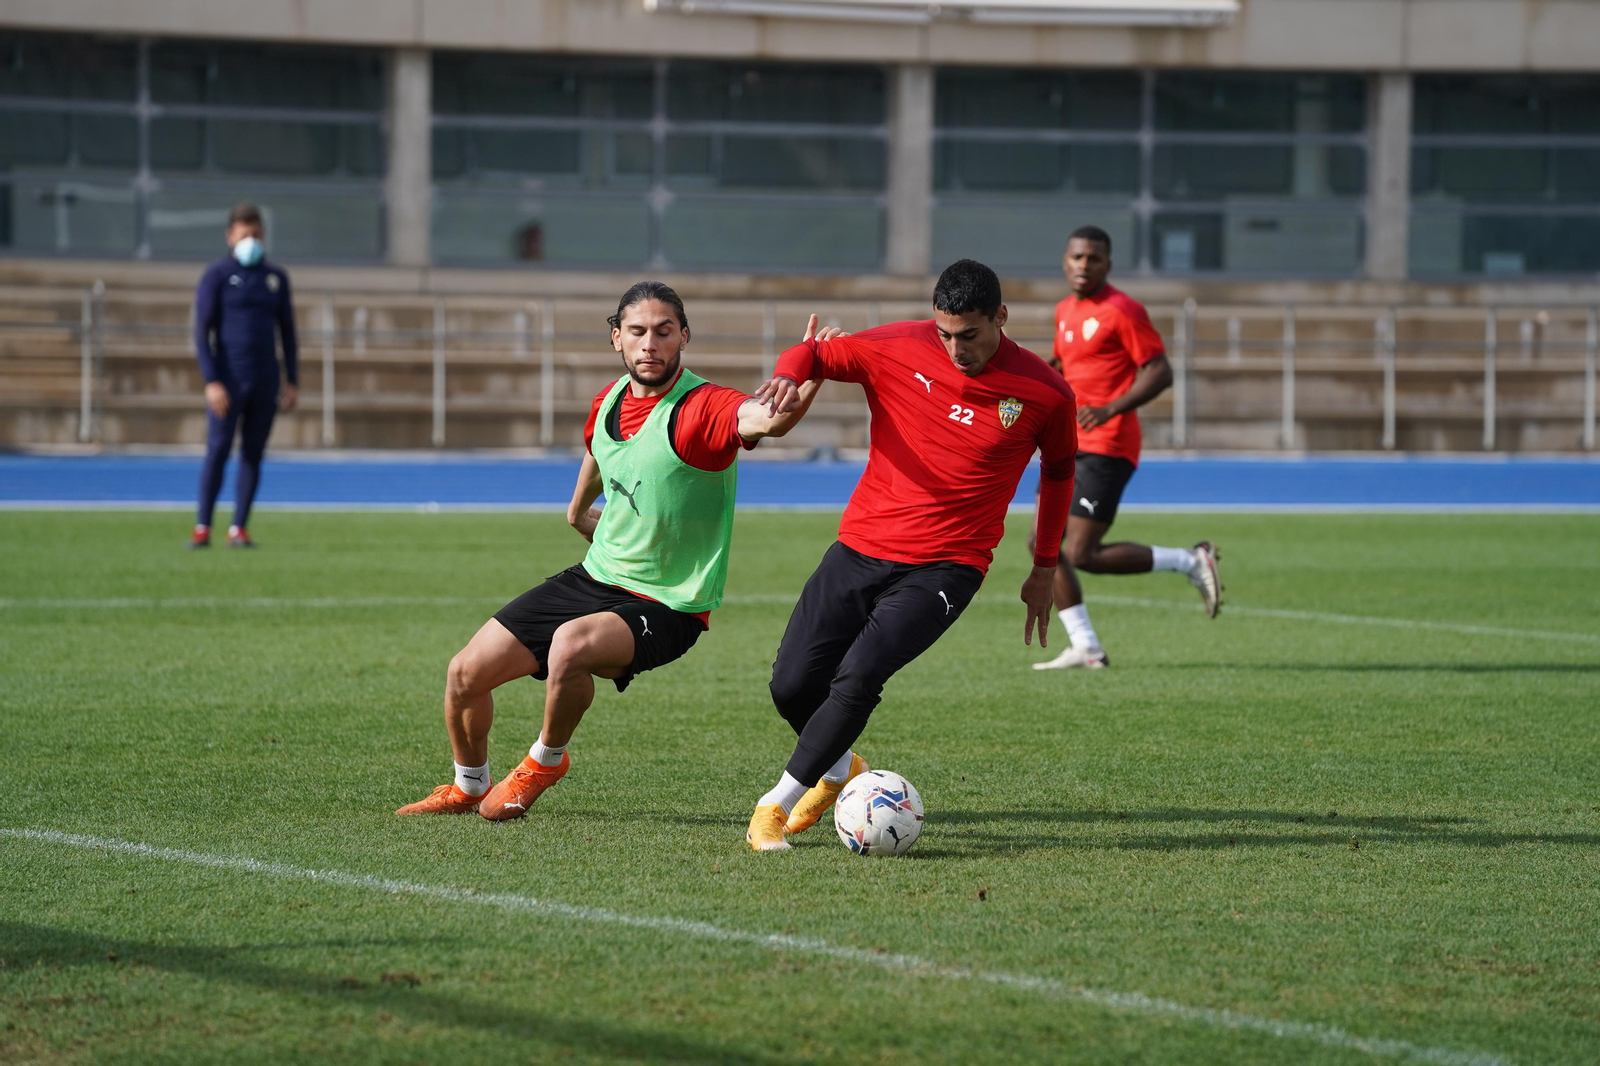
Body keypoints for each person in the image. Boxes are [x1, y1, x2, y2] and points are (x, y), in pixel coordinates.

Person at [396, 281, 823, 820]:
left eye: (664, 332)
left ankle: (544, 761)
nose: (651, 344)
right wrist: (576, 511)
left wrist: (812, 371)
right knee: (464, 673)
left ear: (683, 338)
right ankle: (468, 784)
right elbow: (602, 452)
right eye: (638, 332)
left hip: (668, 603)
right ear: (616, 338)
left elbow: (769, 421)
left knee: (570, 646)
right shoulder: (609, 400)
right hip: (596, 577)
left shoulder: (703, 408)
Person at [743, 259, 1078, 851]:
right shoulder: (899, 344)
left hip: (950, 565)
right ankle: (840, 770)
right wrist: (787, 374)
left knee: (860, 673)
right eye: (945, 333)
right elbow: (815, 356)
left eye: (970, 335)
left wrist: (1043, 567)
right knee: (791, 685)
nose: (955, 348)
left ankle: (776, 804)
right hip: (860, 546)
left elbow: (1057, 476)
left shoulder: (1046, 393)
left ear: (1000, 317)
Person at [1032, 225, 1222, 671]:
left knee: (1080, 552)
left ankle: (1191, 561)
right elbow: (1065, 362)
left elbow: (1160, 371)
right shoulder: (1065, 310)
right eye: (1077, 257)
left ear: (1107, 265)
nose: (1084, 265)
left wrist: (1111, 408)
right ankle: (1086, 647)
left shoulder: (1123, 311)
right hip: (1067, 443)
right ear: (1065, 260)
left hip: (1107, 445)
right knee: (1043, 545)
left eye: (1094, 259)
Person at [188, 203, 298, 549]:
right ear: (230, 236)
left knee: (253, 454)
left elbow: (289, 333)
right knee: (218, 450)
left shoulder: (275, 278)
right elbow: (201, 332)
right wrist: (211, 380)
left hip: (264, 380)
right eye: (243, 234)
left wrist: (291, 380)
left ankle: (239, 528)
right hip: (228, 380)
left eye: (255, 234)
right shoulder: (217, 276)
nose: (250, 240)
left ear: (263, 235)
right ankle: (203, 527)